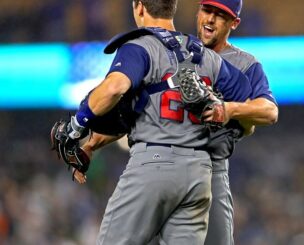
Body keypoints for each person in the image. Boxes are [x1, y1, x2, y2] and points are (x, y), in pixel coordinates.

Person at [67, 0, 256, 244]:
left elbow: (114, 88)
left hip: (153, 164)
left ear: (139, 7)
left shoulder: (140, 46)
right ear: (172, 8)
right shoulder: (205, 55)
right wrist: (224, 113)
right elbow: (248, 114)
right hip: (198, 174)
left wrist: (78, 123)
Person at [196, 1, 278, 245]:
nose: (210, 19)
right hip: (167, 161)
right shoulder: (178, 52)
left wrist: (232, 109)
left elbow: (270, 111)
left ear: (234, 23)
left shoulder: (245, 63)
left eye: (220, 15)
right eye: (207, 11)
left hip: (212, 165)